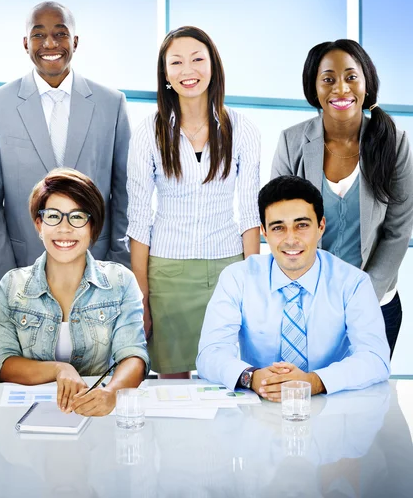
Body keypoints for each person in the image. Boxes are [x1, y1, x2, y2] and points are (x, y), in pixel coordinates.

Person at [0, 1, 131, 304]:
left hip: (97, 276)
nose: (49, 44)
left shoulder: (112, 104)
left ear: (75, 41)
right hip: (22, 274)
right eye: (38, 35)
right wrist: (0, 285)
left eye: (60, 34)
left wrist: (117, 271)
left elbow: (124, 197)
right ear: (25, 43)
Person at [126, 26, 261, 378]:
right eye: (177, 62)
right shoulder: (149, 132)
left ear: (212, 66)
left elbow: (249, 214)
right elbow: (139, 221)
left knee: (229, 377)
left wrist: (253, 282)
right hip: (167, 272)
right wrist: (142, 297)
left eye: (198, 59)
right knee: (172, 382)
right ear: (166, 74)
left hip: (228, 269)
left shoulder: (243, 129)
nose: (189, 70)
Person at [271, 39, 413, 357]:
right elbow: (279, 226)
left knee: (367, 402)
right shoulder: (291, 142)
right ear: (314, 86)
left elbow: (397, 233)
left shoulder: (396, 144)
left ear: (366, 83)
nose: (340, 89)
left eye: (351, 77)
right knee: (309, 398)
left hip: (375, 305)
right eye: (328, 79)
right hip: (307, 303)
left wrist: (359, 299)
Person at [197, 175, 390, 399]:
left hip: (331, 408)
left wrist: (314, 381)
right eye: (279, 228)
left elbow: (375, 358)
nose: (291, 239)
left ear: (321, 227)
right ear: (264, 232)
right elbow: (210, 354)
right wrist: (252, 377)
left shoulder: (353, 283)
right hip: (258, 406)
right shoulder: (237, 278)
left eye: (302, 225)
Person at [0, 168, 149, 417]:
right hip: (30, 416)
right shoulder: (12, 285)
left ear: (92, 225)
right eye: (53, 216)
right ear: (39, 224)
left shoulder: (120, 282)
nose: (64, 228)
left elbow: (133, 355)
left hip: (97, 414)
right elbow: (1, 364)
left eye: (77, 217)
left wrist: (112, 393)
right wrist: (59, 370)